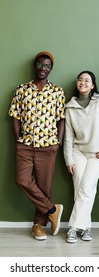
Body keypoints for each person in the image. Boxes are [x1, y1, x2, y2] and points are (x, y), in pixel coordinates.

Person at [8, 51, 65, 240]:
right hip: (25, 145)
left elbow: (61, 120)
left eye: (47, 66)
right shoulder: (21, 89)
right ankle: (51, 209)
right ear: (35, 66)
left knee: (44, 186)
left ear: (51, 69)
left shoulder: (57, 92)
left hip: (48, 146)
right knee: (21, 179)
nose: (43, 68)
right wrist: (18, 140)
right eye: (40, 65)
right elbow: (15, 117)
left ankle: (39, 225)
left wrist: (58, 143)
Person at [63, 71, 99, 243]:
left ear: (93, 85)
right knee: (80, 187)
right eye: (80, 79)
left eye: (87, 80)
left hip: (97, 154)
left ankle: (73, 227)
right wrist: (69, 159)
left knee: (86, 188)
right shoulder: (70, 107)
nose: (83, 82)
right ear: (77, 83)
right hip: (78, 152)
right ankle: (86, 227)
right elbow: (68, 137)